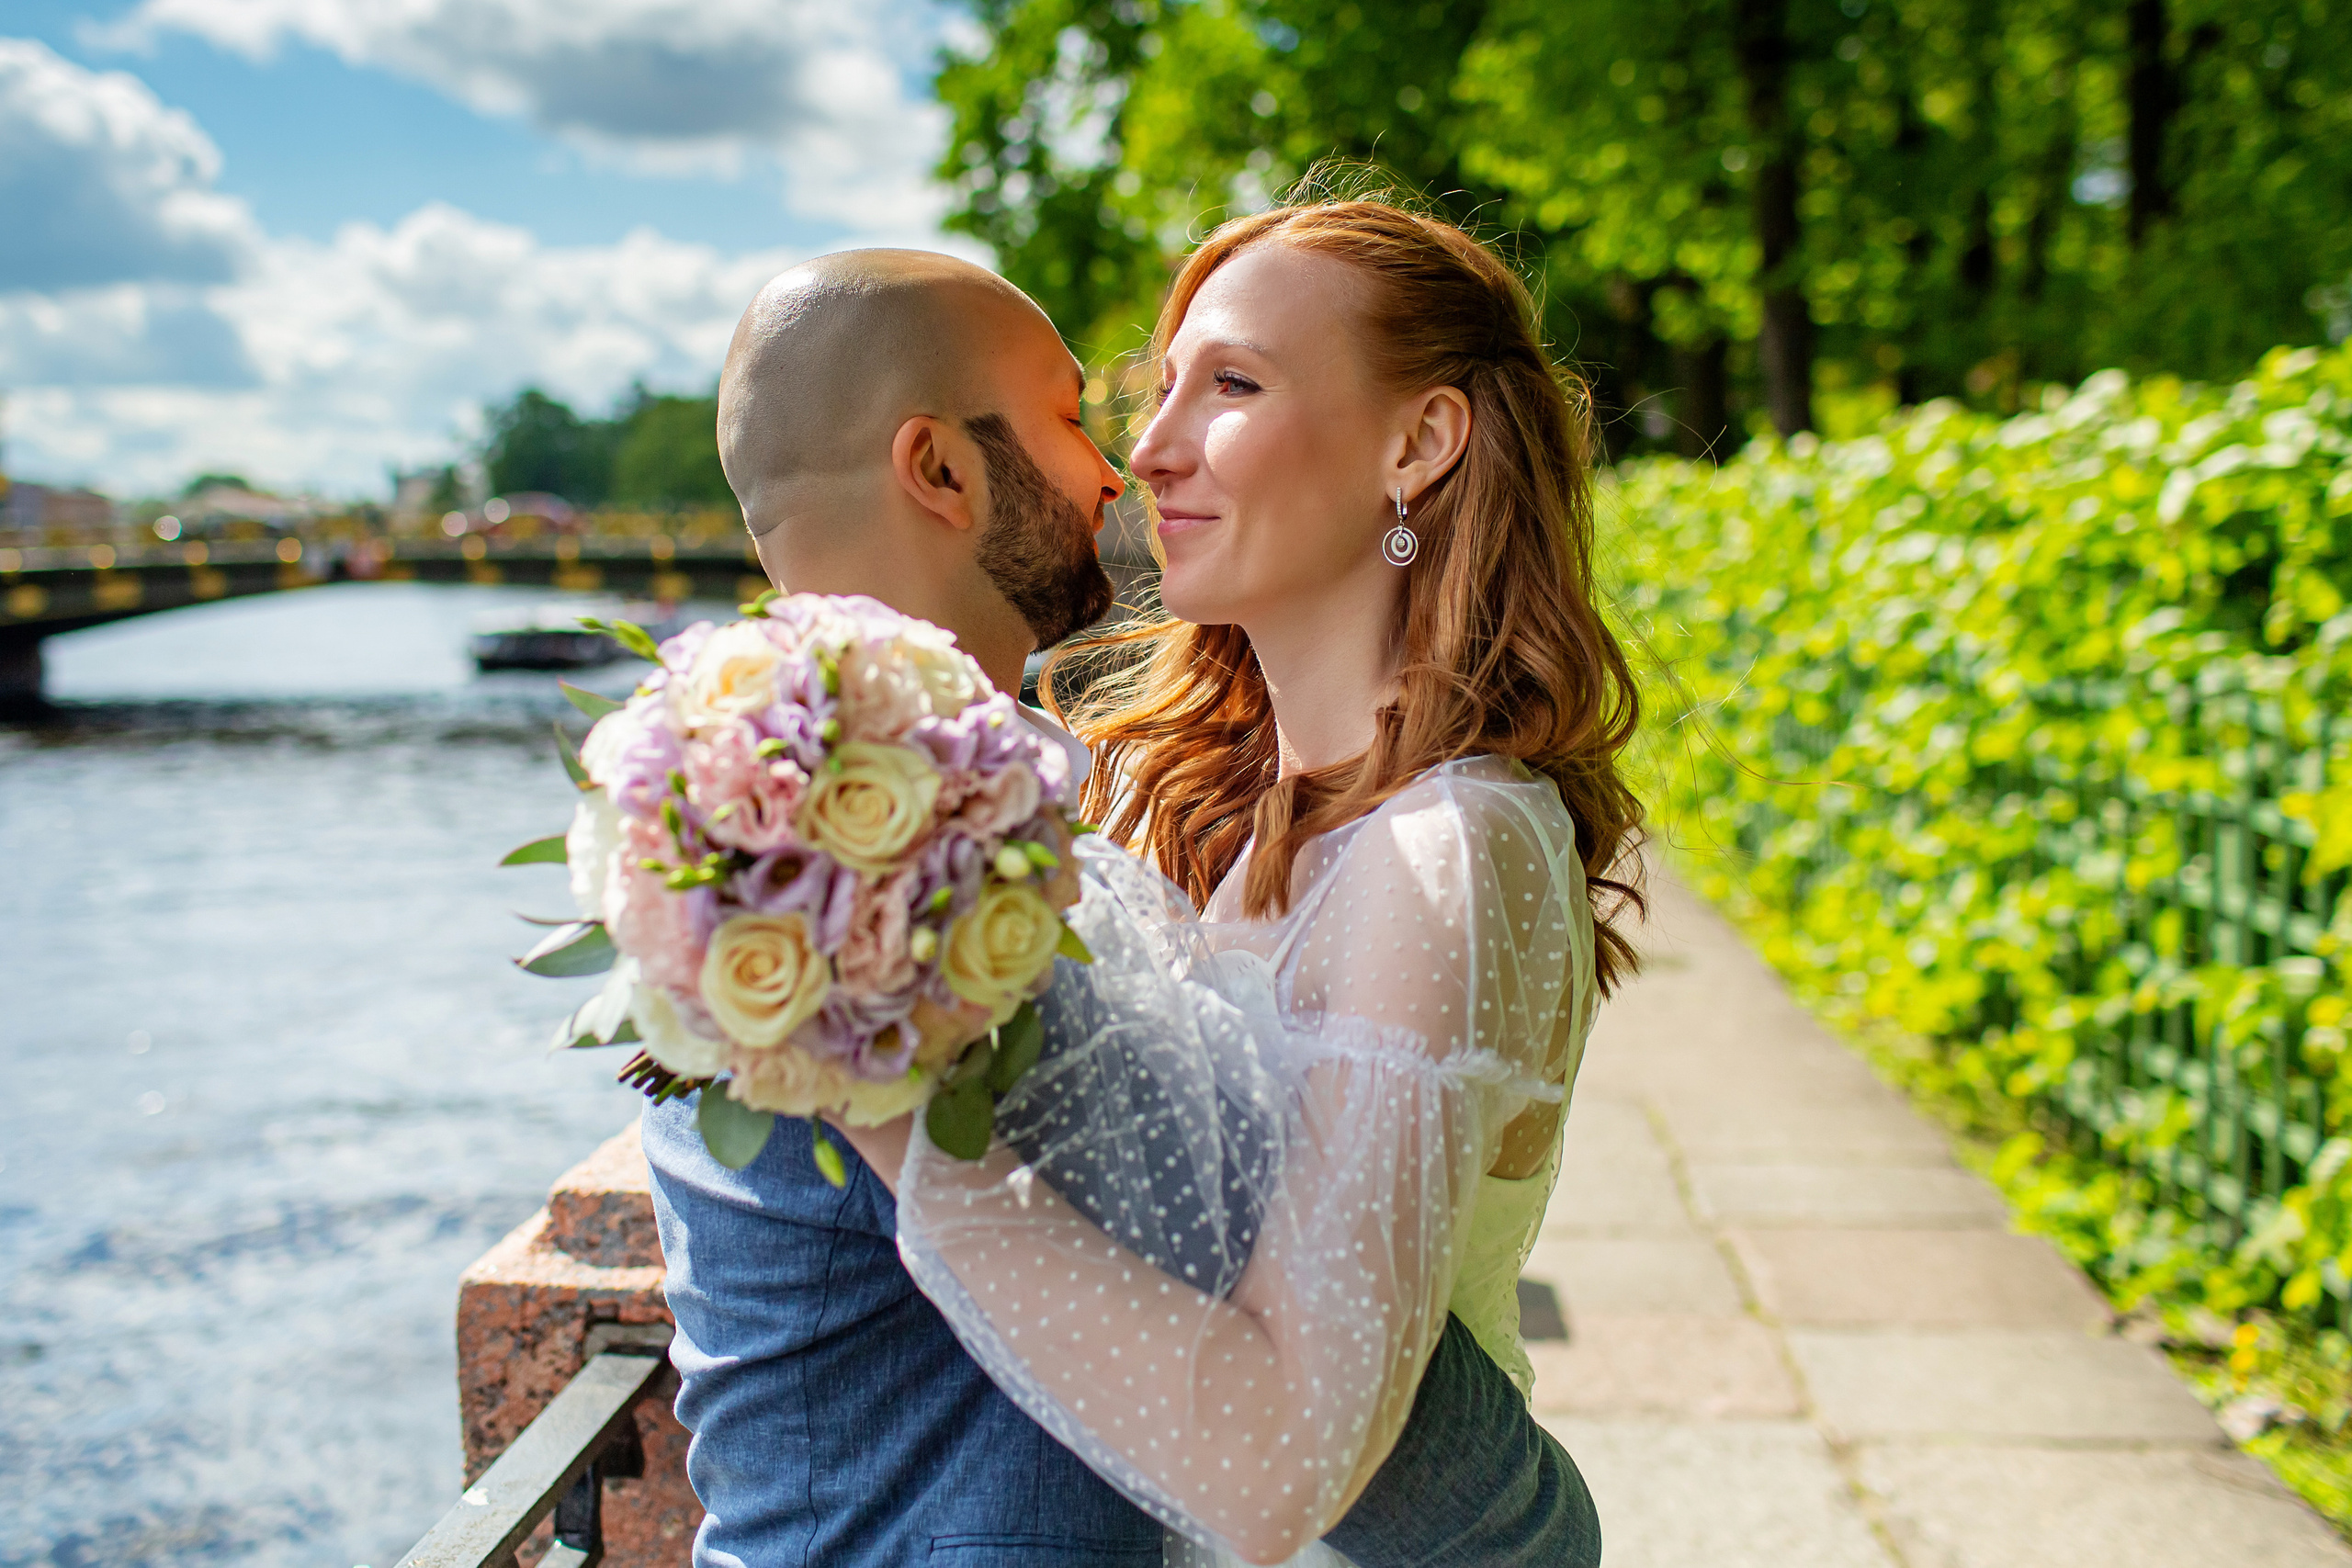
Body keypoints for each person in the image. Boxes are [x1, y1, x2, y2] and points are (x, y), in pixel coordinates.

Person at [645, 246, 1599, 1565]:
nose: (1143, 454)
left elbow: (1321, 1463)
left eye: (1232, 385)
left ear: (1420, 443)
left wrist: (869, 1072)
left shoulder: (1451, 847)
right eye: (1143, 400)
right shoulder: (1149, 801)